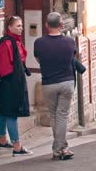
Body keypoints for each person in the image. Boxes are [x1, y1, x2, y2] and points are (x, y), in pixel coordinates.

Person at [0, 16, 33, 157]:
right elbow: (5, 69)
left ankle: (3, 141)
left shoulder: (14, 41)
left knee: (4, 112)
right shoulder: (6, 44)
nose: (21, 28)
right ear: (9, 27)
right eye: (18, 26)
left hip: (12, 82)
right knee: (11, 114)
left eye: (21, 25)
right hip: (10, 83)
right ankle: (17, 147)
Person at [34, 12, 76, 160]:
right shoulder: (70, 42)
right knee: (62, 115)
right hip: (66, 81)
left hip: (48, 83)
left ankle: (60, 148)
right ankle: (61, 148)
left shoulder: (39, 43)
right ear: (61, 25)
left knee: (54, 115)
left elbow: (38, 59)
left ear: (46, 25)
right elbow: (73, 58)